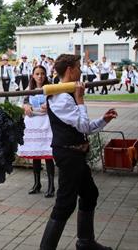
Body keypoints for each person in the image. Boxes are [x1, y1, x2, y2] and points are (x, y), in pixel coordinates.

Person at [40, 54, 117, 250]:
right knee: (65, 204)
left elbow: (86, 127)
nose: (81, 70)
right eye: (78, 67)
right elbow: (82, 126)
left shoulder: (68, 95)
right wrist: (80, 100)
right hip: (68, 155)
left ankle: (85, 242)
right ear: (69, 70)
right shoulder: (61, 98)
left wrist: (103, 120)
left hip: (76, 154)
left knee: (90, 194)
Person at [17, 65, 55, 198]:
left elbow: (56, 103)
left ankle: (51, 186)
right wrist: (26, 106)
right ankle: (37, 184)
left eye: (42, 74)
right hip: (33, 124)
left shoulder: (50, 89)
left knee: (48, 154)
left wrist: (49, 105)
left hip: (46, 123)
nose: (40, 76)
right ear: (33, 76)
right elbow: (23, 103)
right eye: (37, 74)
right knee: (36, 154)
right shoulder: (29, 90)